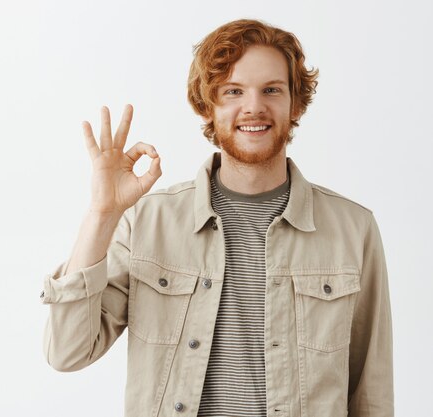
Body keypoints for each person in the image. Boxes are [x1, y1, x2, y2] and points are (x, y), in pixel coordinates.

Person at [40, 18, 393, 417]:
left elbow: (371, 393)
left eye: (272, 90)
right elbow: (67, 352)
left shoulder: (353, 229)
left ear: (295, 103)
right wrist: (101, 215)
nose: (254, 107)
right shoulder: (147, 222)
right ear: (208, 106)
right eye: (233, 91)